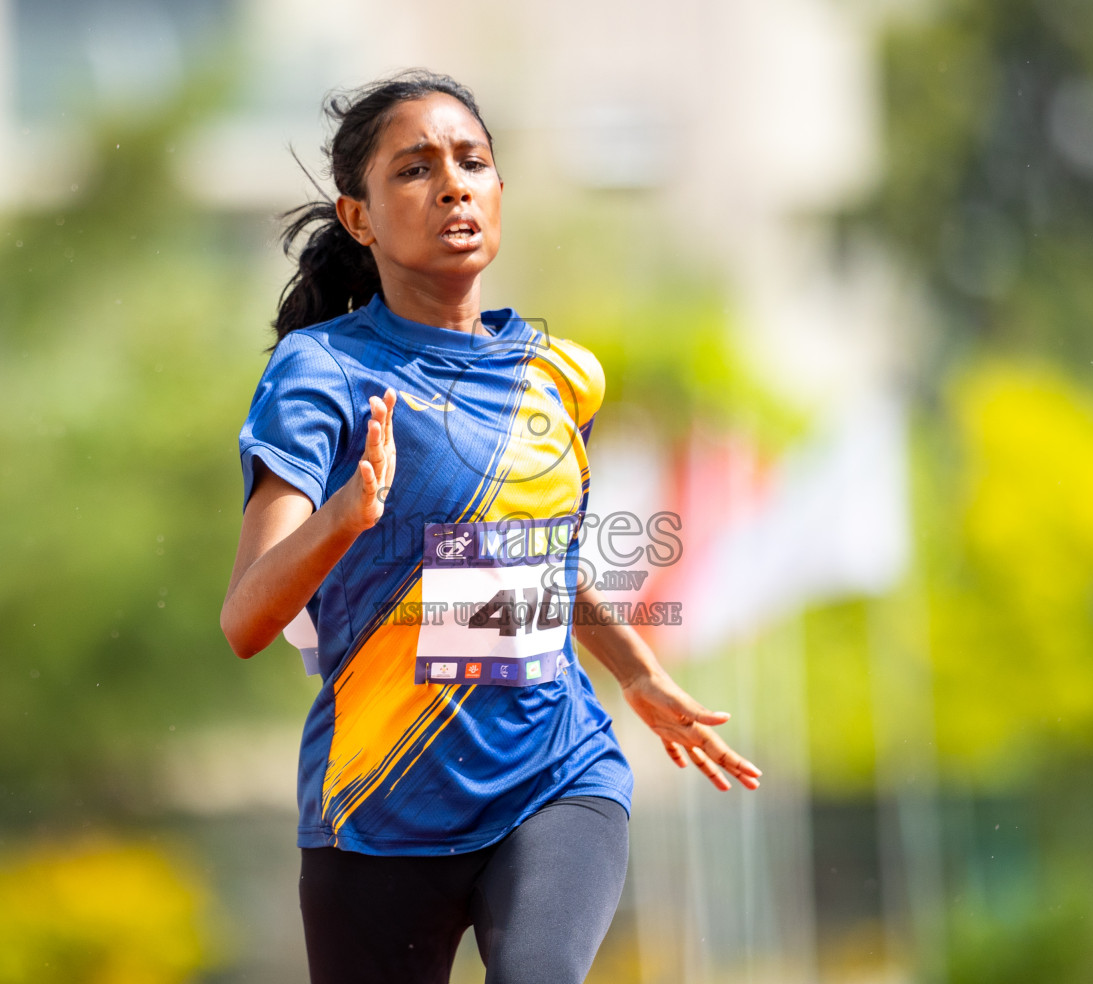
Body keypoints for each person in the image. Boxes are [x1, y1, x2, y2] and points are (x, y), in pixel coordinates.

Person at [221, 70, 761, 984]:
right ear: (358, 218)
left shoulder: (562, 375)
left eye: (473, 162)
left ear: (500, 194)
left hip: (557, 775)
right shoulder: (321, 374)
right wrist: (345, 519)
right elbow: (246, 618)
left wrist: (640, 675)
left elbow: (535, 568)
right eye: (415, 170)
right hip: (378, 807)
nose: (453, 186)